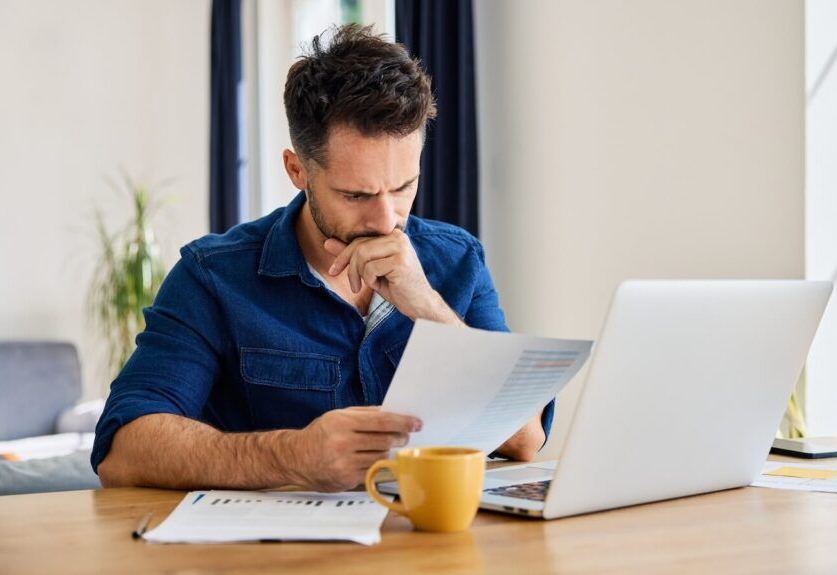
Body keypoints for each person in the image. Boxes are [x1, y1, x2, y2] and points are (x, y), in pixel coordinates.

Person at [93, 24, 555, 492]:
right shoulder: (213, 276)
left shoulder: (457, 260)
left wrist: (430, 310)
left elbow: (524, 439)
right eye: (355, 194)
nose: (385, 219)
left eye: (403, 187)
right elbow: (122, 448)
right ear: (297, 170)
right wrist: (291, 455)